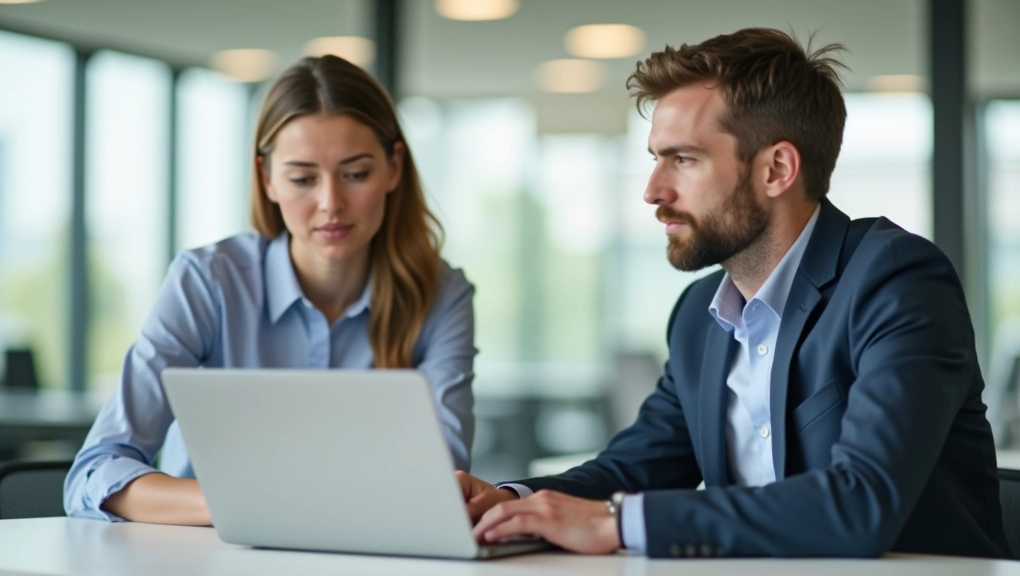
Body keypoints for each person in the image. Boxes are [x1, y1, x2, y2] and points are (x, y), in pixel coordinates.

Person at [456, 28, 1011, 559]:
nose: (653, 191)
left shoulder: (896, 279)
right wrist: (512, 504)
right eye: (655, 159)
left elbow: (860, 502)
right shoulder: (699, 315)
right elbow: (635, 468)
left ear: (776, 169)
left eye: (684, 159)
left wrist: (619, 522)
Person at [64, 55, 477, 525]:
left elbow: (446, 481)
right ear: (268, 178)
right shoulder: (209, 282)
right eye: (302, 179)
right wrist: (248, 503)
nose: (330, 204)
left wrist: (282, 501)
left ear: (394, 168)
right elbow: (95, 473)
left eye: (356, 174)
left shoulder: (442, 296)